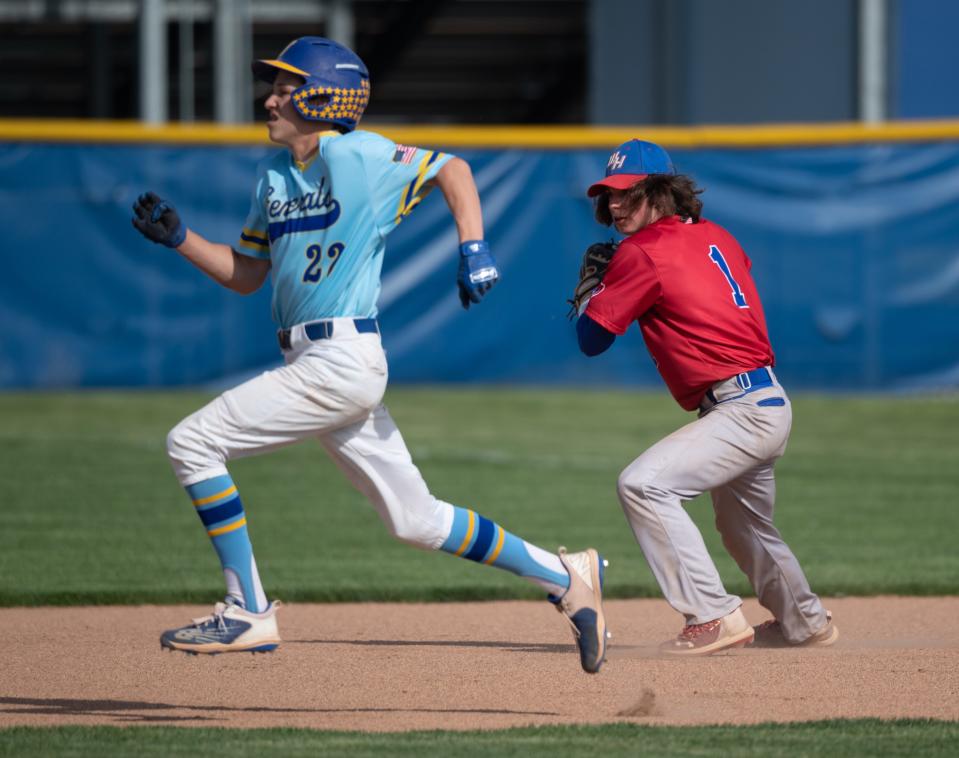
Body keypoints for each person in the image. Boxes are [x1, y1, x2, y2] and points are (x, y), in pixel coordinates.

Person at [131, 36, 608, 673]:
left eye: (284, 86)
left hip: (342, 359)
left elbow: (454, 170)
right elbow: (249, 276)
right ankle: (566, 576)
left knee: (192, 443)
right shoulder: (272, 175)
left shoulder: (361, 154)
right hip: (314, 364)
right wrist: (183, 239)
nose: (269, 98)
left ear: (324, 95)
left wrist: (474, 246)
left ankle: (247, 609)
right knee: (416, 520)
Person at [571, 138, 837, 655]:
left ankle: (712, 615)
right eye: (610, 196)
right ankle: (805, 622)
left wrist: (594, 294)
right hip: (767, 401)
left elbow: (591, 341)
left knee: (644, 486)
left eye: (629, 193)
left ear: (661, 192)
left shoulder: (641, 252)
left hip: (739, 410)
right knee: (744, 527)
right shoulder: (718, 236)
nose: (617, 204)